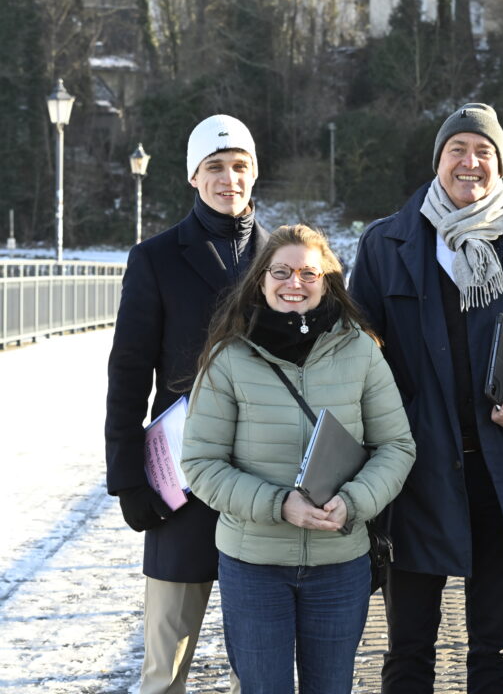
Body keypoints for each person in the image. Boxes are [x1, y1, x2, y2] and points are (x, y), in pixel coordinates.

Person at [348, 102, 503, 693]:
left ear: (500, 166)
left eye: (484, 152)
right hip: (415, 471)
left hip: (502, 472)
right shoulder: (387, 243)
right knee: (408, 651)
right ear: (437, 160)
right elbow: (353, 356)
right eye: (457, 150)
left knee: (496, 652)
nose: (469, 163)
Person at [181, 224, 416, 693]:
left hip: (340, 563)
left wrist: (354, 502)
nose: (294, 283)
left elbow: (397, 446)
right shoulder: (229, 357)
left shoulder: (361, 351)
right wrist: (278, 504)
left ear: (328, 280)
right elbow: (201, 464)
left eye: (309, 273)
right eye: (281, 271)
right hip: (253, 565)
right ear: (261, 280)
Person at [105, 114, 268, 694]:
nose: (230, 179)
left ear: (255, 172)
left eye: (240, 166)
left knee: (263, 666)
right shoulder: (156, 258)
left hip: (265, 482)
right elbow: (127, 372)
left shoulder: (284, 260)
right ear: (193, 178)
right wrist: (127, 476)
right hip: (183, 478)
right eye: (216, 168)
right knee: (165, 667)